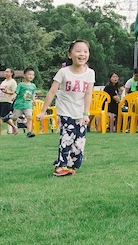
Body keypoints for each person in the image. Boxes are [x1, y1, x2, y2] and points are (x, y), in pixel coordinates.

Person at [37, 40, 95, 177]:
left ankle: (70, 165)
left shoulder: (90, 73)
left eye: (85, 51)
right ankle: (60, 166)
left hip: (81, 112)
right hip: (66, 110)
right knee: (67, 137)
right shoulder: (63, 72)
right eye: (78, 51)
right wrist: (43, 110)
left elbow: (88, 94)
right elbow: (52, 92)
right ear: (70, 54)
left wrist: (86, 113)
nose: (82, 54)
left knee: (79, 142)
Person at [7, 68, 37, 138]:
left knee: (29, 117)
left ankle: (29, 132)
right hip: (19, 104)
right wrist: (13, 97)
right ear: (24, 75)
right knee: (14, 118)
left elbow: (33, 94)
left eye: (32, 75)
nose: (31, 76)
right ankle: (9, 116)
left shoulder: (33, 86)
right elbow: (16, 92)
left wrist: (34, 100)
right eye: (29, 74)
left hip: (28, 104)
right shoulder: (21, 85)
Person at [0, 68, 17, 135]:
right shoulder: (4, 81)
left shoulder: (13, 82)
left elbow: (15, 92)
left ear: (11, 73)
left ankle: (14, 127)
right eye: (5, 72)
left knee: (4, 117)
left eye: (7, 72)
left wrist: (8, 92)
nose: (5, 73)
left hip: (7, 101)